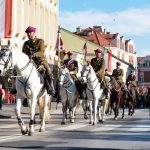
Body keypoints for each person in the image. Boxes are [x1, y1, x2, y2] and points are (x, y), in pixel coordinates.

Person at [22, 26, 55, 95]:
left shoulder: (40, 41)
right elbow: (23, 53)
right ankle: (16, 88)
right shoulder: (26, 43)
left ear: (34, 33)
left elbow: (42, 51)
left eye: (30, 33)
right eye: (27, 33)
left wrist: (34, 54)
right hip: (29, 61)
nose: (28, 34)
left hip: (40, 61)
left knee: (48, 69)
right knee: (18, 70)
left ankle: (50, 87)